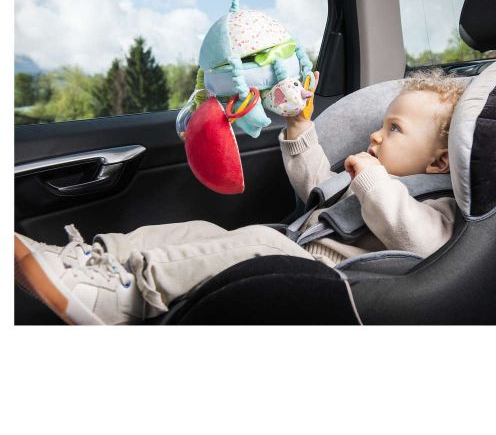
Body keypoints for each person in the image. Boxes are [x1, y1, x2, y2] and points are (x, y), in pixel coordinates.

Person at [14, 69, 467, 325]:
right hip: (295, 249)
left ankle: (125, 296)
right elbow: (317, 187)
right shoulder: (363, 177)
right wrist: (299, 126)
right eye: (382, 124)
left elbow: (421, 242)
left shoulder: (436, 202)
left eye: (394, 129)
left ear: (439, 162)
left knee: (263, 242)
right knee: (201, 230)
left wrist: (373, 182)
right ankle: (92, 261)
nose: (376, 134)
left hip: (336, 278)